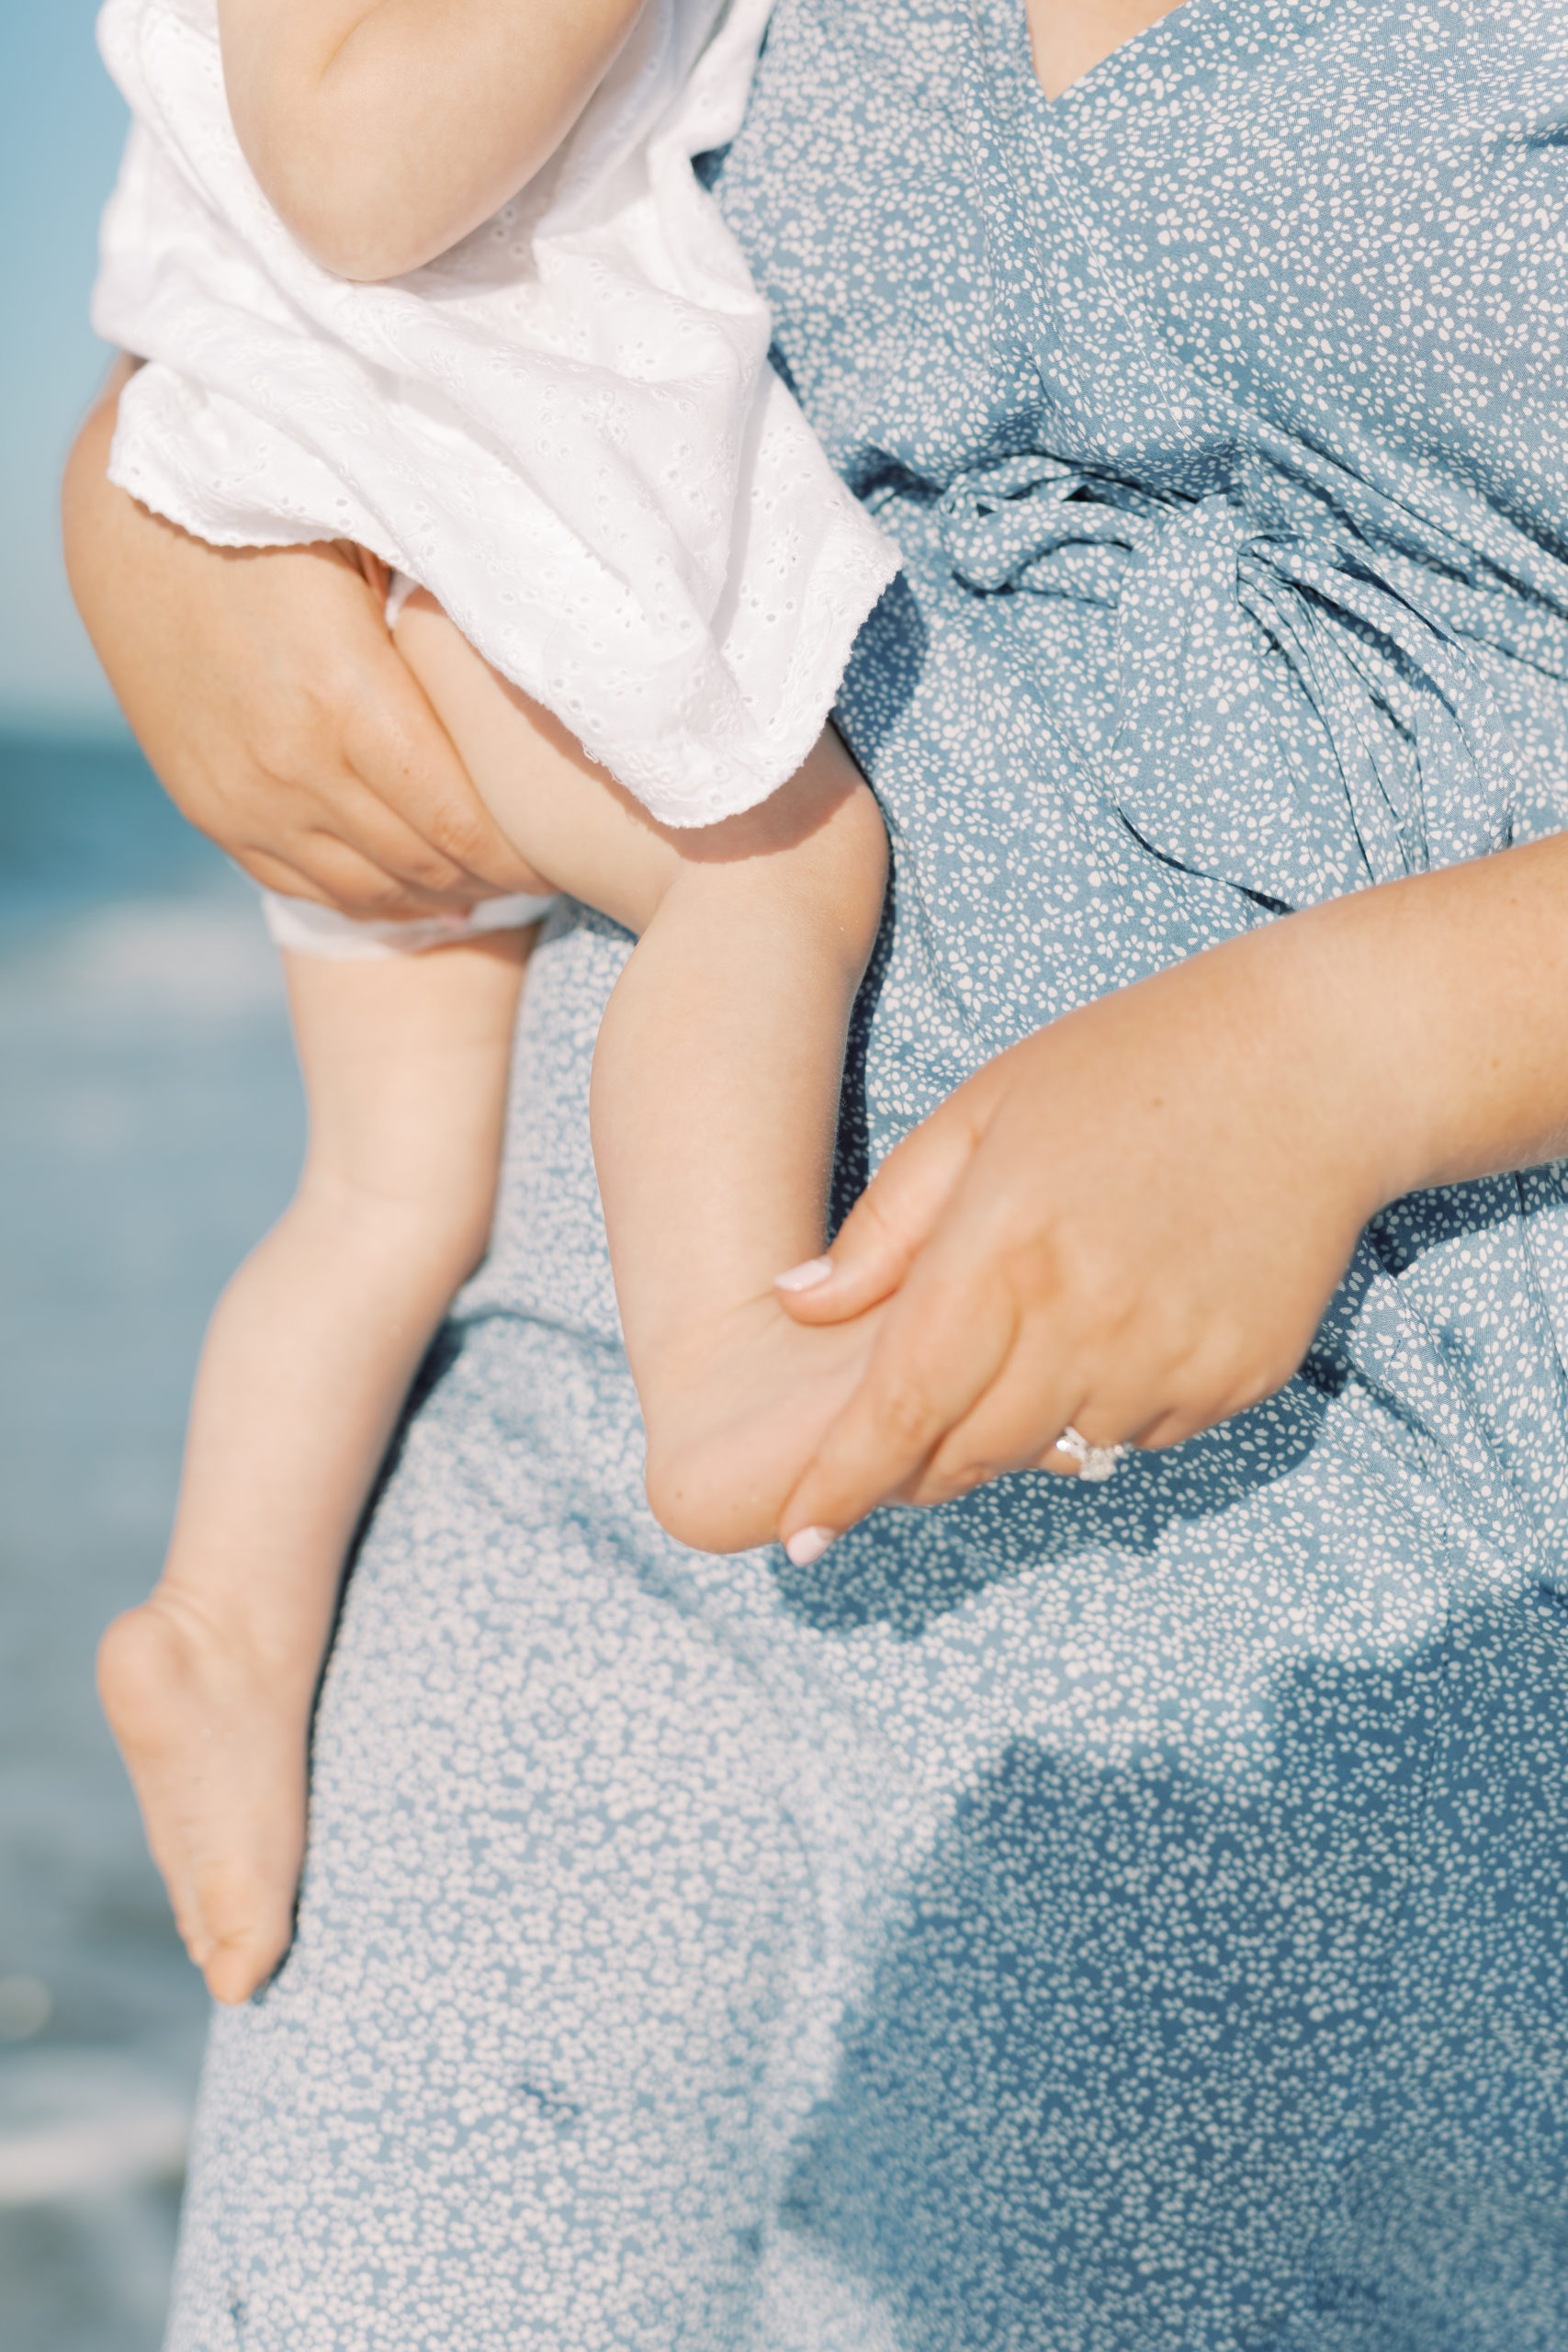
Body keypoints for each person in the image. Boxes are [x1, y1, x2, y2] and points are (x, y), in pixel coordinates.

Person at [64, 0, 1568, 2339]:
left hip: (1368, 1644)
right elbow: (387, 225)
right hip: (579, 1508)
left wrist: (1350, 1052)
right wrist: (146, 516)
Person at [85, 0, 899, 2009]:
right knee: (769, 869)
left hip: (336, 509)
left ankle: (220, 1623)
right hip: (411, 523)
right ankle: (716, 1357)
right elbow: (354, 177)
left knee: (386, 1195)